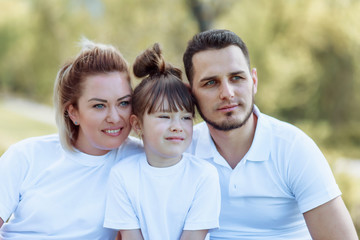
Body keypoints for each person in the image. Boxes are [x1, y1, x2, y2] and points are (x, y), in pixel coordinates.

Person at [183, 29, 359, 239]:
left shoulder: (293, 148)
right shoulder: (181, 151)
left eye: (237, 77)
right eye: (210, 82)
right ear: (190, 93)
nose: (227, 93)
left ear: (254, 82)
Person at [0, 39, 143, 240]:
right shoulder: (26, 156)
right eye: (99, 106)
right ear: (73, 113)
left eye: (124, 103)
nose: (114, 117)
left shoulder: (141, 159)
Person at [104, 43, 221, 240]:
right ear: (137, 124)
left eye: (185, 118)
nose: (177, 126)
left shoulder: (204, 176)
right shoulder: (123, 176)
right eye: (164, 117)